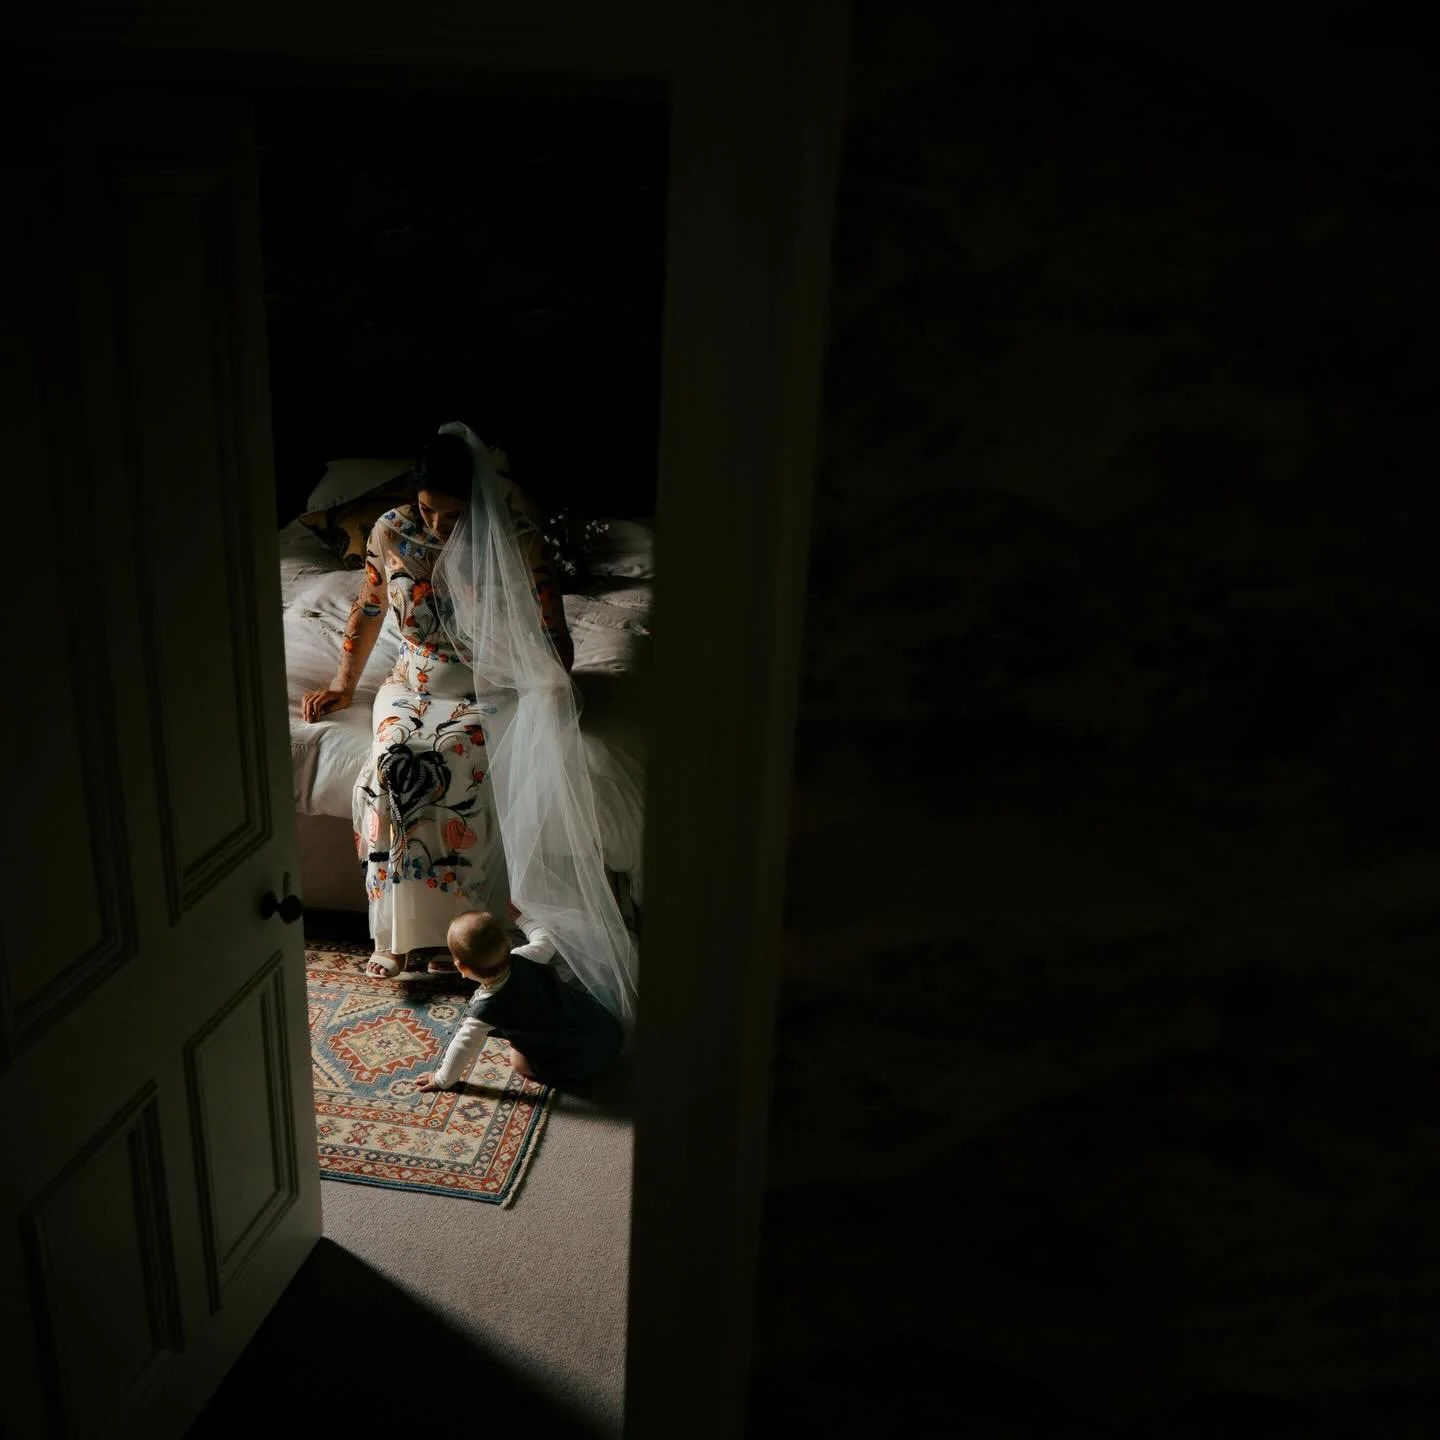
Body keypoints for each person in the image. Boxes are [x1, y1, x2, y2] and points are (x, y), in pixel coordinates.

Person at [298, 430, 573, 978]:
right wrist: (344, 685)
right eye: (428, 511)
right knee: (388, 768)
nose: (437, 527)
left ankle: (461, 936)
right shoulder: (392, 531)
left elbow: (553, 632)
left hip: (486, 687)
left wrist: (549, 690)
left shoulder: (517, 538)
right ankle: (393, 933)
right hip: (411, 684)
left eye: (453, 516)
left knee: (453, 759)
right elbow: (370, 607)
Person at [417, 909, 625, 1091]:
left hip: (581, 1064)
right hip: (609, 1030)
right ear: (507, 944)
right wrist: (523, 919)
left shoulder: (485, 1009)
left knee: (518, 1061)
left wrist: (442, 1079)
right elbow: (545, 940)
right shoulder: (524, 956)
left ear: (462, 968)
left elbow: (463, 1046)